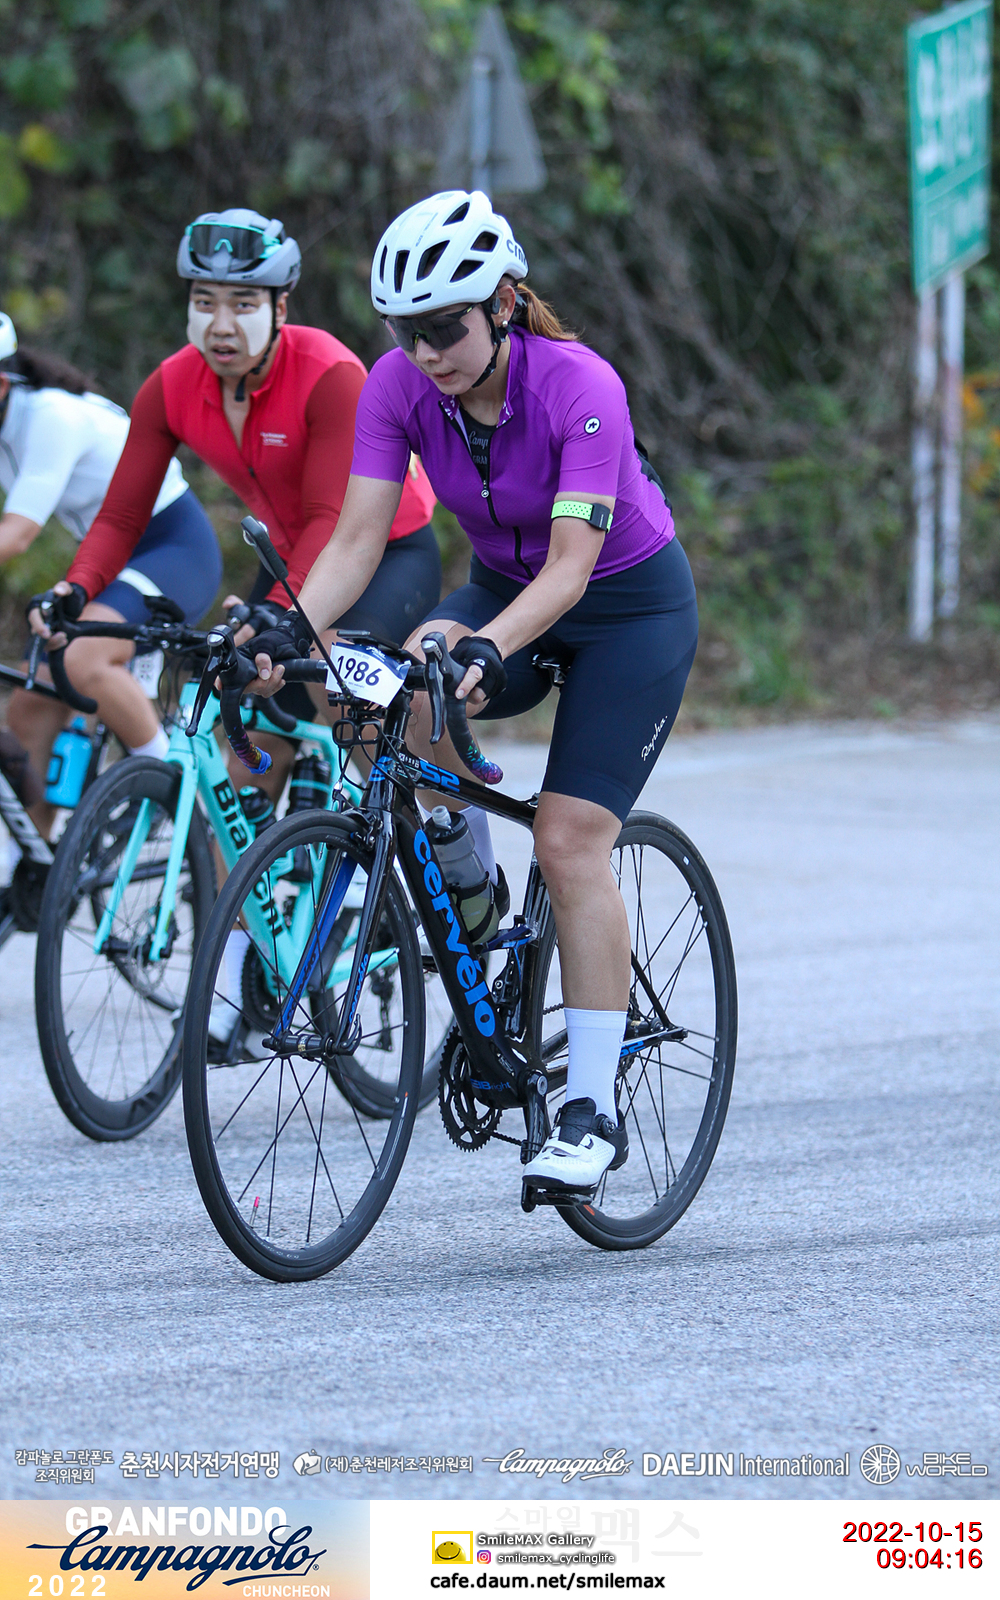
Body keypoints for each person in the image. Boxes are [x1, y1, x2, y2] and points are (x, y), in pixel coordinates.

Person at [244, 189, 699, 1194]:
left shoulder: (580, 384)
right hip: (502, 589)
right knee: (404, 683)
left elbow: (571, 569)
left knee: (570, 841)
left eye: (445, 327)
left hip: (626, 609)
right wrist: (290, 625)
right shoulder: (398, 386)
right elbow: (356, 539)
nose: (426, 351)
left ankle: (590, 1111)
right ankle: (469, 879)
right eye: (405, 331)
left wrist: (488, 647)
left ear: (501, 302)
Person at [31, 208, 439, 802]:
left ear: (279, 308)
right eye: (205, 302)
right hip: (291, 561)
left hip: (384, 552)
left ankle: (439, 836)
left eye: (243, 304)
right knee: (248, 760)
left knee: (346, 694)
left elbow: (330, 520)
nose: (221, 326)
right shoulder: (170, 386)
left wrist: (276, 612)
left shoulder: (328, 373)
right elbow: (121, 517)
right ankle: (270, 861)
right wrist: (78, 586)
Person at [0, 312, 221, 835]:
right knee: (31, 704)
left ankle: (176, 800)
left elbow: (16, 534)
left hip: (174, 550)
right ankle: (32, 859)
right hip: (105, 562)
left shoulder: (49, 416)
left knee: (83, 658)